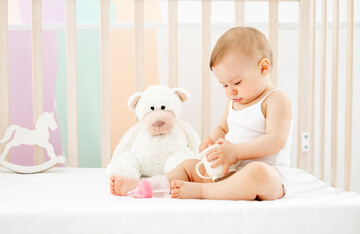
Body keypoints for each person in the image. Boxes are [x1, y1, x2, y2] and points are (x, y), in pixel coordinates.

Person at [110, 27, 293, 201]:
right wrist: (211, 140)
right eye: (224, 85)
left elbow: (276, 140)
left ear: (263, 68)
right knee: (189, 166)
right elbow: (223, 127)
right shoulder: (235, 101)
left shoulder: (275, 100)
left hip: (268, 178)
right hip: (230, 172)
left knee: (258, 172)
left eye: (236, 83)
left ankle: (203, 191)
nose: (230, 91)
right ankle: (146, 186)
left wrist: (236, 152)